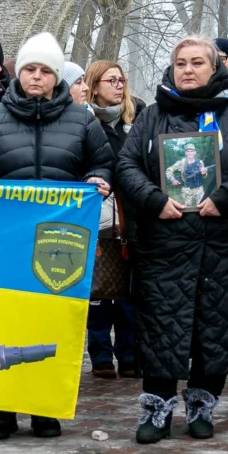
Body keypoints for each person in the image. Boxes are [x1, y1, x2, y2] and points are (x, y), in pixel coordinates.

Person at [117, 35, 228, 444]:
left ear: (215, 69)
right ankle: (157, 409)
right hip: (165, 245)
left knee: (215, 326)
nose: (188, 70)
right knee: (161, 327)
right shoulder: (153, 116)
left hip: (227, 246)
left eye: (197, 63)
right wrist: (154, 201)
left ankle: (202, 405)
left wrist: (226, 198)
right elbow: (127, 163)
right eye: (181, 63)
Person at [0, 32, 114, 440]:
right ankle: (1, 408)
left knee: (52, 323)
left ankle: (44, 407)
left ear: (56, 76)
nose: (36, 77)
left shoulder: (82, 119)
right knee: (1, 323)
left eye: (45, 70)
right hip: (4, 241)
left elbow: (104, 162)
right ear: (19, 73)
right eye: (30, 69)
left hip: (59, 242)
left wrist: (98, 179)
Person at [83, 60, 146, 378]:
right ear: (94, 86)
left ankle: (129, 353)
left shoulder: (139, 119)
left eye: (122, 79)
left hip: (133, 216)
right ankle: (101, 355)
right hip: (99, 217)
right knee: (99, 291)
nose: (119, 85)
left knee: (129, 294)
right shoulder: (83, 122)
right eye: (111, 80)